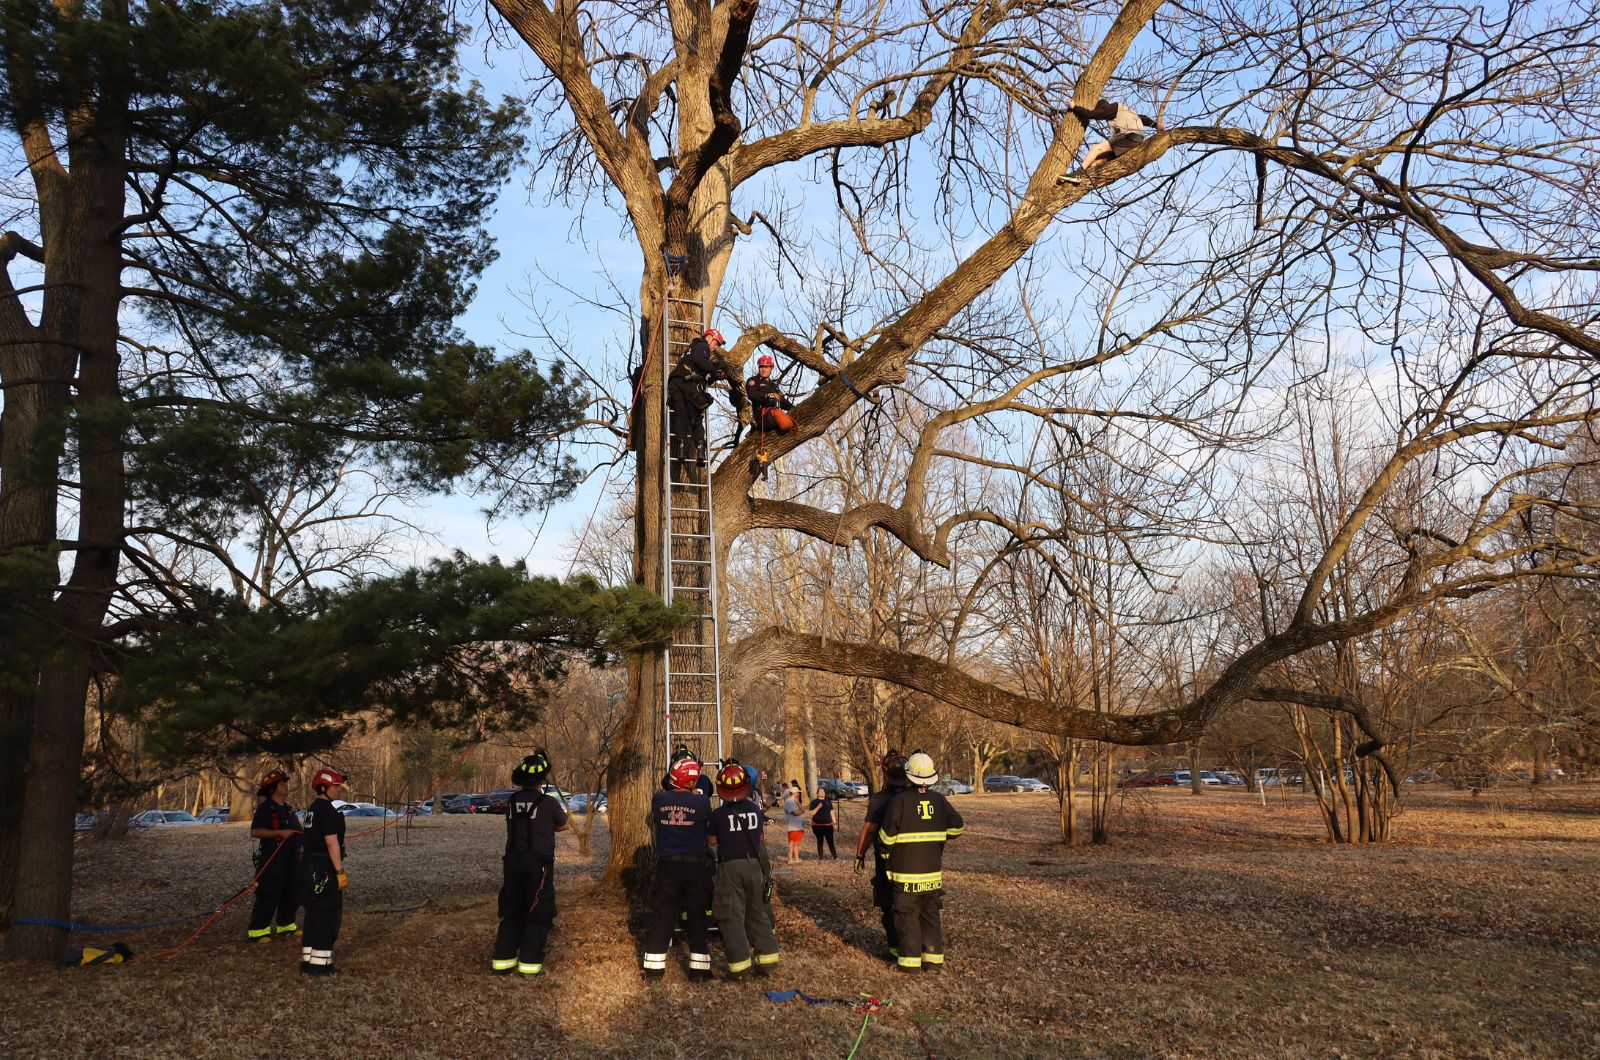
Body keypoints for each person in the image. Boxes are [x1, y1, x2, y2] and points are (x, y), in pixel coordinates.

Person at [879, 751, 964, 974]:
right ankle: (934, 959)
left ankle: (909, 963)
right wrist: (937, 837)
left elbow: (886, 838)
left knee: (906, 917)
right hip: (932, 874)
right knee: (930, 915)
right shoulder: (939, 800)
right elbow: (958, 827)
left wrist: (885, 855)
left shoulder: (899, 801)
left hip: (905, 875)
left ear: (909, 776)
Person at [492, 751, 570, 977]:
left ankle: (503, 961)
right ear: (541, 780)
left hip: (512, 862)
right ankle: (529, 964)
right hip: (538, 864)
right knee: (538, 911)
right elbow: (564, 825)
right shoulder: (548, 802)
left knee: (512, 910)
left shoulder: (512, 801)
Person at [642, 756, 714, 982]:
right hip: (695, 866)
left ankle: (654, 969)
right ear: (693, 782)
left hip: (668, 865)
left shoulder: (659, 799)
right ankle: (699, 970)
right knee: (696, 915)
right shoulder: (702, 803)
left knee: (664, 914)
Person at [707, 764, 780, 980]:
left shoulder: (718, 815)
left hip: (730, 867)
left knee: (731, 916)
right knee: (757, 911)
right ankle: (767, 960)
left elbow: (712, 842)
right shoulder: (755, 810)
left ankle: (740, 968)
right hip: (754, 865)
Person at [854, 750, 911, 959]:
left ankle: (897, 950)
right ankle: (915, 948)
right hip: (917, 863)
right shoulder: (917, 795)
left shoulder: (880, 799)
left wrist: (859, 855)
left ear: (885, 773)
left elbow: (869, 830)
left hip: (887, 862)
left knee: (890, 907)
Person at [667, 327, 745, 466]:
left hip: (675, 383)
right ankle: (700, 448)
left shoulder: (689, 352)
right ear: (711, 338)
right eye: (716, 344)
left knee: (681, 416)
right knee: (698, 415)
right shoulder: (702, 345)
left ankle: (681, 448)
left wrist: (715, 376)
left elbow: (705, 375)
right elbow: (701, 361)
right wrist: (715, 371)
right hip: (688, 384)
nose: (715, 348)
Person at [300, 767, 348, 976]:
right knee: (327, 914)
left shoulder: (312, 809)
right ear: (324, 787)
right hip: (324, 869)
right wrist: (339, 871)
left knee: (313, 912)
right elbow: (331, 843)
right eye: (336, 786)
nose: (339, 790)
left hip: (309, 868)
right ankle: (320, 966)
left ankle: (309, 960)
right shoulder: (327, 811)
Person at [246, 769, 302, 942]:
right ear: (273, 789)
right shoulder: (266, 809)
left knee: (292, 892)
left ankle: (286, 926)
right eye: (282, 783)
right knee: (269, 893)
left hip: (292, 858)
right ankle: (258, 931)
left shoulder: (288, 809)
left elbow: (297, 832)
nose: (286, 785)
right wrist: (279, 833)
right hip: (273, 858)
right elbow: (255, 831)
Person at [1058, 98, 1162, 185]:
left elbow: (1091, 114)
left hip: (1131, 136)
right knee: (1097, 161)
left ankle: (1077, 174)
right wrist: (1155, 125)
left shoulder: (1111, 108)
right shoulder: (1125, 111)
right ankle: (1072, 179)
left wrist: (1074, 107)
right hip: (1134, 140)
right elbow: (1143, 118)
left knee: (1097, 148)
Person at [744, 354, 795, 434]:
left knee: (787, 422)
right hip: (761, 413)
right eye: (761, 367)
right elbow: (752, 394)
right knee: (773, 421)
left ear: (771, 368)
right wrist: (766, 396)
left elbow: (782, 401)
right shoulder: (753, 381)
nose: (763, 369)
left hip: (774, 412)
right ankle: (756, 426)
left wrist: (792, 408)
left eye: (766, 367)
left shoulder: (774, 386)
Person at [807, 785, 837, 859]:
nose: (822, 792)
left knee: (831, 842)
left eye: (823, 791)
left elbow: (831, 812)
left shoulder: (828, 801)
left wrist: (834, 823)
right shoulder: (814, 802)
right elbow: (812, 813)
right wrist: (818, 807)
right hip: (817, 826)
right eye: (820, 791)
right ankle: (821, 857)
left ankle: (836, 857)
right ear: (817, 794)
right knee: (820, 842)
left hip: (828, 825)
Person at [781, 782, 806, 864]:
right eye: (798, 792)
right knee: (791, 843)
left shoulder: (795, 801)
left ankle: (797, 859)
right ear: (794, 793)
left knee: (797, 843)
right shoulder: (788, 802)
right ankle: (790, 859)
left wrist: (798, 803)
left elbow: (803, 809)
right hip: (792, 826)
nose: (799, 793)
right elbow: (795, 813)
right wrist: (801, 810)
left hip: (799, 826)